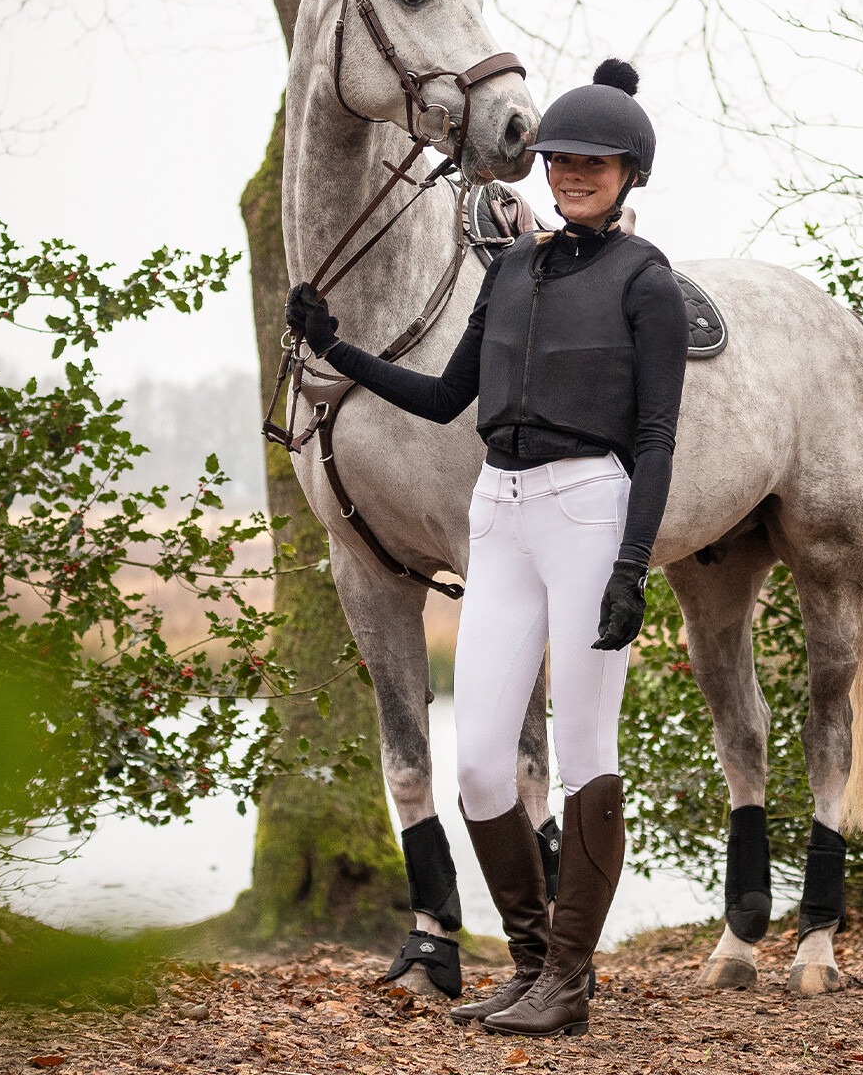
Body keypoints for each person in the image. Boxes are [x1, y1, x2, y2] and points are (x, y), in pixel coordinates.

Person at [285, 59, 688, 1038]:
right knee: (477, 767)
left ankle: (570, 982)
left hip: (590, 511)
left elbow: (654, 439)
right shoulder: (508, 269)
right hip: (496, 510)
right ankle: (530, 962)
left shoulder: (647, 284)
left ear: (628, 171)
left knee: (587, 754)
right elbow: (441, 396)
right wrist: (338, 350)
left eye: (592, 161)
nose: (570, 173)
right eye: (558, 159)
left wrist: (632, 566)